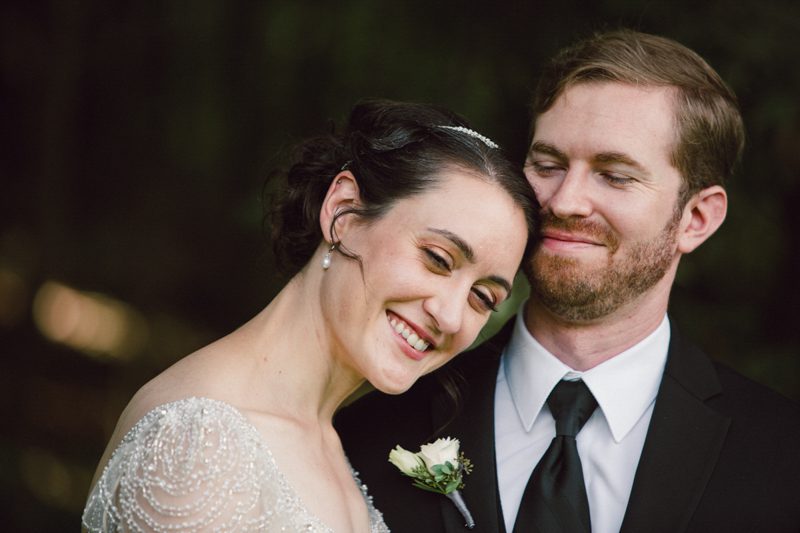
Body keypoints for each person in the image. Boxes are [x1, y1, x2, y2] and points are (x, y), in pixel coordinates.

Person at [336, 30, 800, 533]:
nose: (564, 202)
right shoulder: (368, 430)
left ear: (696, 218)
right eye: (549, 165)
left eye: (615, 175)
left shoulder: (782, 454)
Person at [81, 99, 536, 532]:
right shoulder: (198, 445)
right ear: (344, 212)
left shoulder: (333, 444)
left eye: (482, 297)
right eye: (437, 258)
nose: (452, 316)